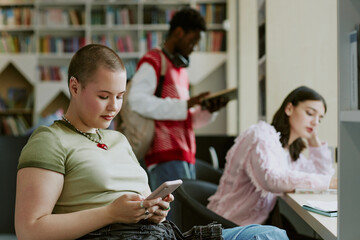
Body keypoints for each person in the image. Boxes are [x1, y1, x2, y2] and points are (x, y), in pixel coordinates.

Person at [14, 44, 289, 240]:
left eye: (120, 96)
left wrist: (153, 210)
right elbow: (30, 229)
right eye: (103, 96)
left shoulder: (118, 140)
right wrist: (110, 213)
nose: (114, 107)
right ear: (75, 87)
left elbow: (138, 205)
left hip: (161, 233)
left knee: (268, 234)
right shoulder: (50, 140)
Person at [207, 86, 337, 227]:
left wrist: (314, 141)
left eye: (320, 119)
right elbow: (272, 179)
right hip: (228, 226)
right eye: (310, 113)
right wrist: (330, 182)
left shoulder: (289, 151)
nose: (315, 122)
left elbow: (322, 177)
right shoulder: (261, 135)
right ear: (289, 109)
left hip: (255, 227)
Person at [127, 7, 226, 191]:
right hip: (164, 155)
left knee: (182, 216)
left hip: (185, 154)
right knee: (171, 217)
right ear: (179, 32)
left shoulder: (181, 70)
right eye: (192, 40)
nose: (193, 47)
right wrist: (186, 104)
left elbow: (184, 118)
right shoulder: (154, 61)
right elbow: (137, 101)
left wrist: (208, 111)